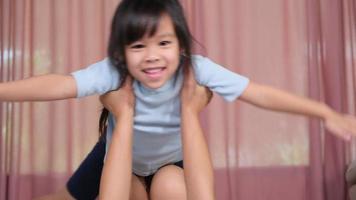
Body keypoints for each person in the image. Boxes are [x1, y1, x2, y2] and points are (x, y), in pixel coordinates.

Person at [1, 0, 355, 199]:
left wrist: (323, 111)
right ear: (122, 52)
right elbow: (58, 85)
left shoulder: (194, 69)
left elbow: (259, 93)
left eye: (164, 43)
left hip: (172, 160)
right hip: (117, 157)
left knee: (170, 187)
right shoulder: (116, 70)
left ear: (181, 45)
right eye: (139, 46)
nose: (152, 56)